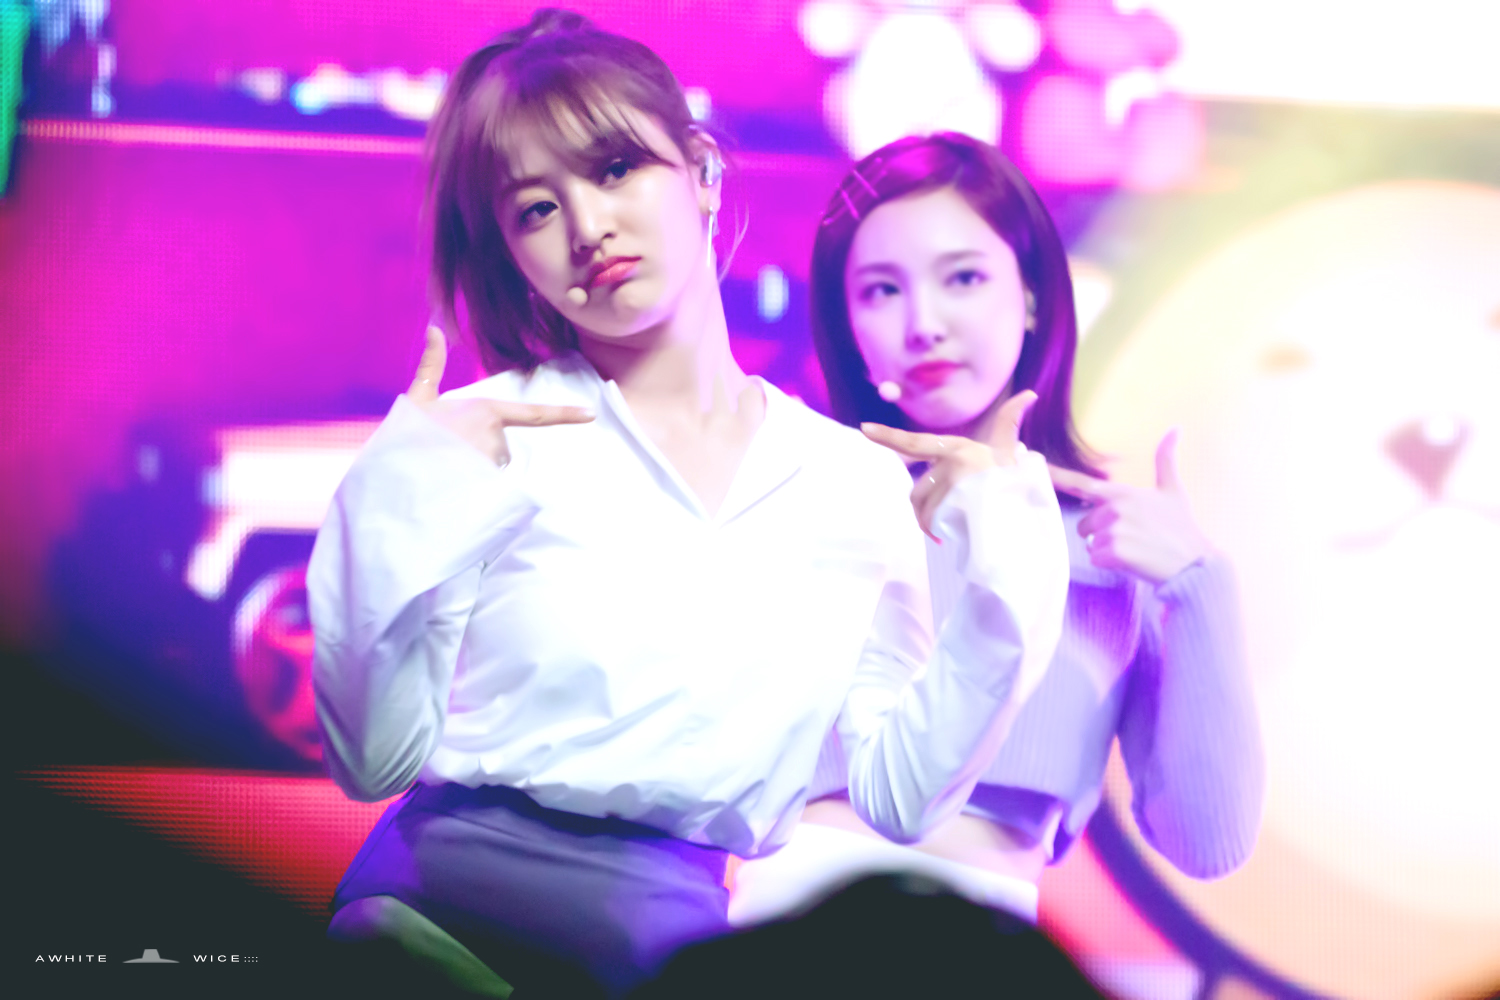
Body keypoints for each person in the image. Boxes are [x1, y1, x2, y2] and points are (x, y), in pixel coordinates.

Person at [309, 15, 1068, 998]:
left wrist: (1008, 573)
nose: (587, 226)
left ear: (702, 172)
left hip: (666, 956)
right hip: (428, 930)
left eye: (616, 168)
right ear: (511, 253)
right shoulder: (482, 439)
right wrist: (388, 516)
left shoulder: (850, 480)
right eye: (535, 209)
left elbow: (902, 795)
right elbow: (372, 760)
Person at [729, 133, 1264, 928]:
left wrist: (1197, 585)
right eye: (880, 291)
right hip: (792, 922)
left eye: (964, 278)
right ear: (848, 327)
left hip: (991, 943)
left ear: (1034, 296)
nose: (924, 324)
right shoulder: (806, 497)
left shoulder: (1112, 544)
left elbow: (1207, 843)